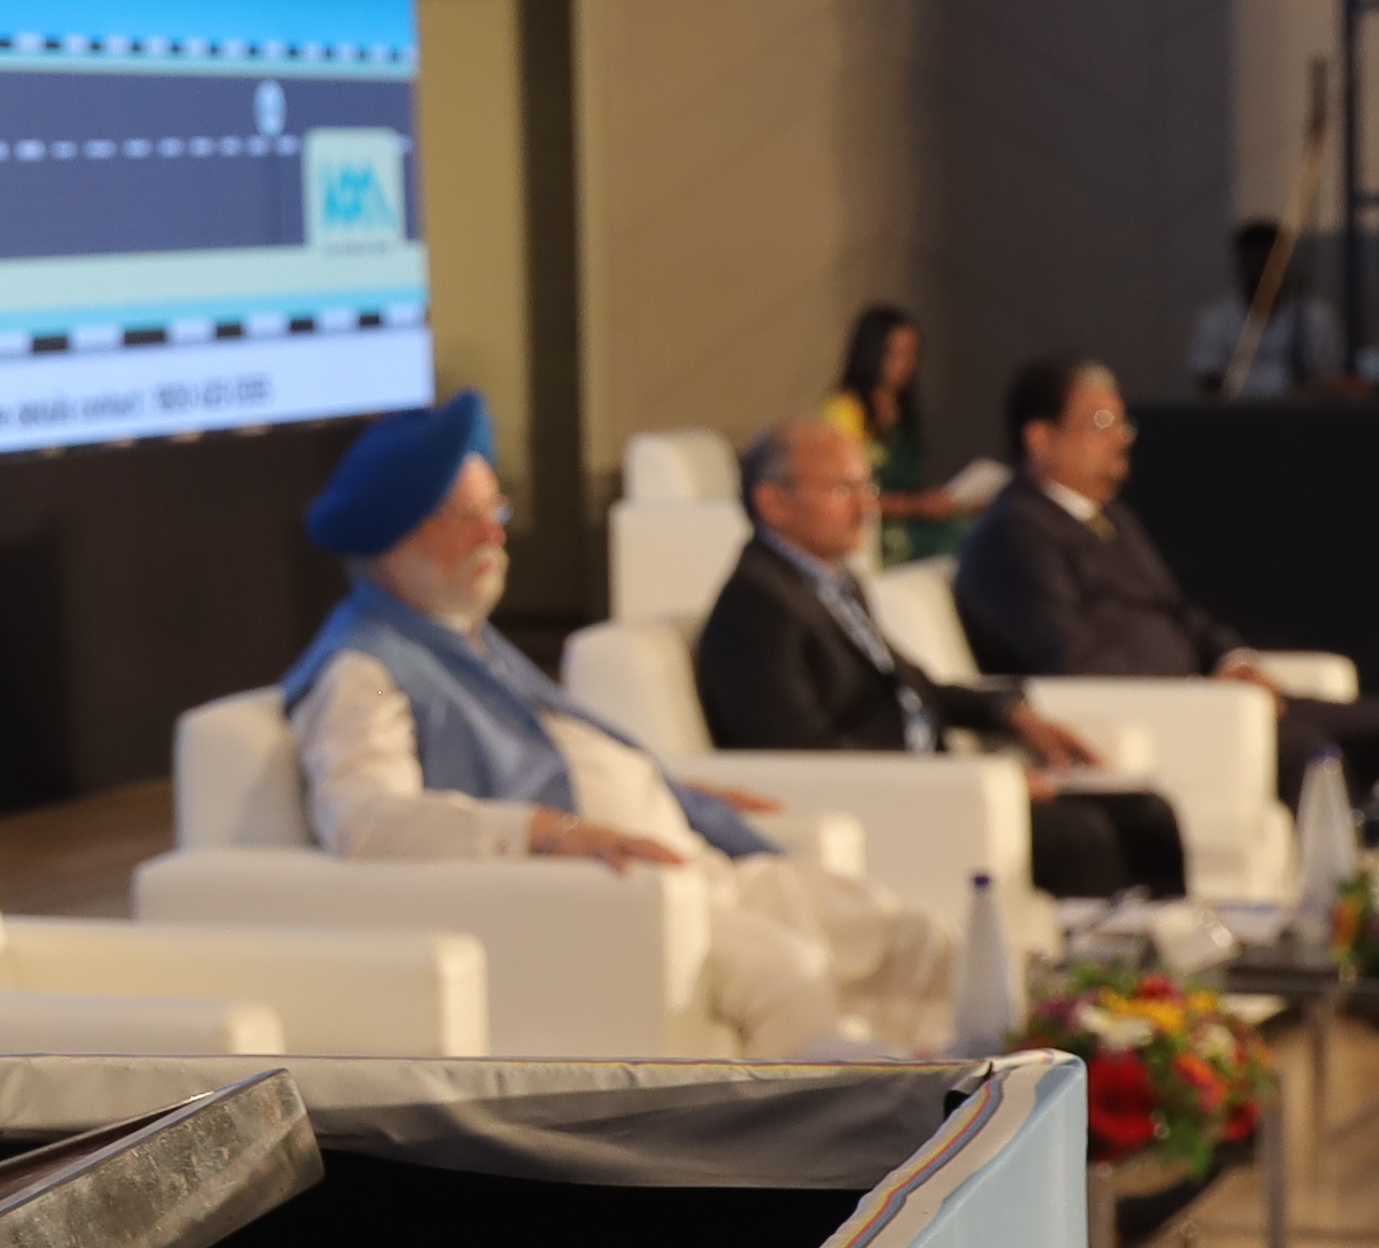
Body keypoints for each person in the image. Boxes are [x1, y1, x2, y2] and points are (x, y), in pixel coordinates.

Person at [284, 392, 953, 1055]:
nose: (494, 535)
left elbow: (554, 752)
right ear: (395, 538)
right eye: (467, 516)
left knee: (910, 939)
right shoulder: (364, 669)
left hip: (688, 864)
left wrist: (674, 791)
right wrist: (546, 831)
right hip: (612, 906)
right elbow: (367, 821)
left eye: (496, 511)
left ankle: (948, 1108)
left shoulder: (464, 637)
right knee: (790, 972)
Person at [699, 417, 1184, 900]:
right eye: (842, 488)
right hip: (895, 807)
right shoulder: (755, 606)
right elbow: (807, 755)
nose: (866, 506)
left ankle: (1172, 947)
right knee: (1081, 835)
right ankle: (1099, 953)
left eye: (867, 486)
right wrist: (969, 781)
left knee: (1145, 812)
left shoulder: (831, 584)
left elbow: (912, 687)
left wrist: (1011, 712)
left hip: (936, 783)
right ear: (774, 502)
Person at [954, 356, 1379, 791]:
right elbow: (1072, 657)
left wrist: (1233, 661)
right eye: (1101, 423)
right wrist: (1197, 694)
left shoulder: (1113, 517)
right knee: (1306, 749)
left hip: (1210, 701)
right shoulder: (1014, 534)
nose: (1122, 438)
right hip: (1157, 715)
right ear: (1041, 439)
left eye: (1123, 423)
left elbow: (1178, 611)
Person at [819, 302, 963, 567]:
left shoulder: (904, 408)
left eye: (911, 354)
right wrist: (916, 505)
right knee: (953, 544)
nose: (907, 365)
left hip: (914, 516)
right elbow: (846, 495)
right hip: (876, 530)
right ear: (872, 353)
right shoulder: (844, 412)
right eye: (897, 354)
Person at [1183, 218, 1359, 399]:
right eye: (1252, 259)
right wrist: (1281, 384)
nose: (1260, 268)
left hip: (1301, 414)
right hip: (1236, 414)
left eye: (1267, 259)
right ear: (1240, 263)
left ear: (1284, 261)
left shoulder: (1315, 316)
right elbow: (1206, 376)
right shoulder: (1216, 318)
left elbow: (1332, 374)